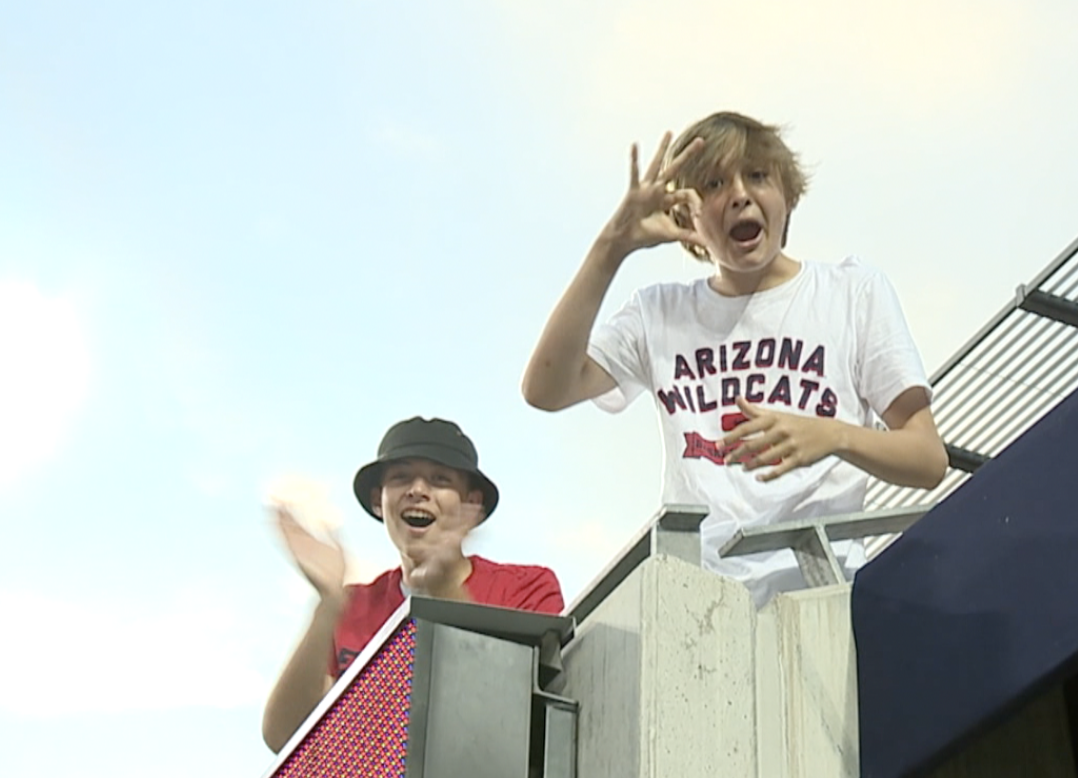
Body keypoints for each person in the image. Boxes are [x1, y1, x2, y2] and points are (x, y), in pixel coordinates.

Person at [522, 111, 947, 607]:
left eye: (758, 176)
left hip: (821, 599)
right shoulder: (659, 313)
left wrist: (832, 435)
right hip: (695, 604)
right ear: (686, 215)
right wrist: (611, 247)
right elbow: (545, 390)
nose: (740, 194)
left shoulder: (850, 293)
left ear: (788, 195)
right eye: (714, 183)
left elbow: (928, 458)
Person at [262, 416, 564, 753]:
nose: (418, 490)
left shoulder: (527, 587)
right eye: (401, 477)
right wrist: (328, 603)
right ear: (379, 501)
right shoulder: (351, 608)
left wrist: (447, 589)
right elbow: (283, 738)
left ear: (472, 505)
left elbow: (523, 721)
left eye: (440, 479)